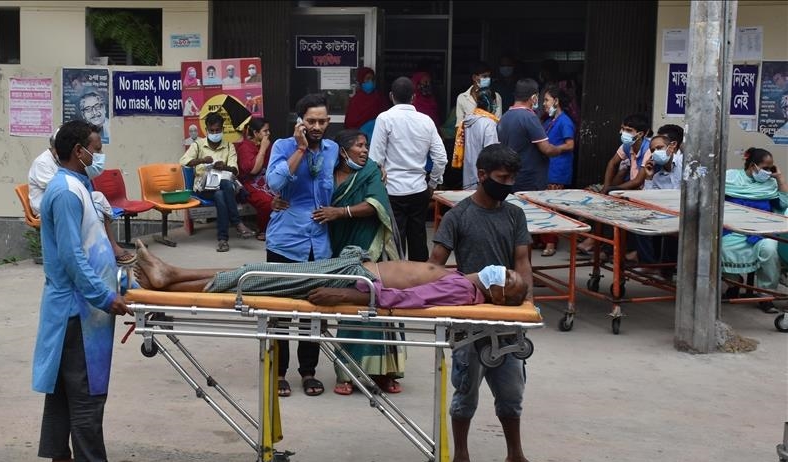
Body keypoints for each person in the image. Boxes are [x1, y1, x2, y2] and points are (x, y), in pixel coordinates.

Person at [429, 143, 552, 462]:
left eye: (512, 178)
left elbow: (523, 262)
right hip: (470, 322)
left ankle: (515, 456)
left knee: (511, 393)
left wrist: (527, 306)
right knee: (466, 392)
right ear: (481, 175)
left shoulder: (514, 215)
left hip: (509, 322)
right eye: (502, 178)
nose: (508, 184)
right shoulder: (457, 217)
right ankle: (461, 459)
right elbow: (434, 267)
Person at [32, 120, 137, 462]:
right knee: (86, 389)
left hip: (82, 304)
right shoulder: (65, 193)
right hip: (77, 308)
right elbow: (72, 256)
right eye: (96, 149)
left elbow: (95, 245)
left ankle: (61, 461)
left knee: (64, 388)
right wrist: (105, 297)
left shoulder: (80, 186)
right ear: (79, 151)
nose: (100, 156)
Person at [132, 241, 528, 308]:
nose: (505, 272)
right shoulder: (464, 278)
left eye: (508, 280)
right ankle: (170, 274)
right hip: (350, 270)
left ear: (498, 296)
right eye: (510, 271)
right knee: (256, 271)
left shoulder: (463, 292)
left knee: (256, 276)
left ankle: (169, 278)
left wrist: (352, 296)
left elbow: (409, 299)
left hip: (350, 281)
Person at [313, 129, 402, 395]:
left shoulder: (370, 171)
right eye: (359, 146)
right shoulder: (326, 173)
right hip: (338, 246)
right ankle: (347, 373)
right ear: (342, 151)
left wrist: (340, 212)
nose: (364, 151)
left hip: (371, 246)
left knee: (378, 307)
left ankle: (385, 372)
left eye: (366, 146)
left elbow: (376, 205)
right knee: (348, 308)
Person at [266, 93, 339, 397]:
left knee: (314, 310)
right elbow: (274, 184)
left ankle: (308, 372)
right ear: (300, 122)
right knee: (279, 310)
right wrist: (300, 149)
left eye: (322, 121)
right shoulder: (282, 146)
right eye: (311, 121)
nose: (317, 126)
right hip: (285, 240)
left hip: (319, 243)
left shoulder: (333, 150)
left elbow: (354, 172)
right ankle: (279, 372)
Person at [28, 128, 135, 265]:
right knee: (93, 205)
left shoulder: (61, 164)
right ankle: (103, 250)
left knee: (97, 200)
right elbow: (61, 191)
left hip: (66, 200)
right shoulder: (43, 163)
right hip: (47, 206)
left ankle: (105, 249)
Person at [369, 77, 448, 262]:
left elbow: (376, 159)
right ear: (414, 97)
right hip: (419, 189)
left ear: (391, 96)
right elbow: (441, 158)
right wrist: (433, 183)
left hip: (392, 190)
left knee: (394, 244)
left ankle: (397, 277)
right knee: (418, 239)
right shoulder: (426, 120)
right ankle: (420, 277)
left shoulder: (384, 118)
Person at [721, 147, 787, 314]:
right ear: (752, 166)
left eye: (771, 168)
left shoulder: (770, 183)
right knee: (720, 248)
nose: (769, 172)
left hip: (762, 232)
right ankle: (734, 284)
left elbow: (783, 204)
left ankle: (766, 296)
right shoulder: (731, 177)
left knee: (770, 249)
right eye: (766, 168)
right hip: (733, 230)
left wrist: (780, 178)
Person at [179, 112, 256, 252]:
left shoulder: (229, 147)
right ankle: (237, 223)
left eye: (218, 130)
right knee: (225, 186)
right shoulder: (198, 145)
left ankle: (223, 240)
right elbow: (183, 161)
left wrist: (224, 167)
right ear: (207, 130)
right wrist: (202, 160)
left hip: (222, 186)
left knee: (221, 193)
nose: (215, 133)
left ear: (222, 129)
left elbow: (234, 170)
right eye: (212, 130)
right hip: (203, 188)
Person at [577, 113, 652, 255]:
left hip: (644, 193)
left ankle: (602, 246)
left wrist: (612, 189)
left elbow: (638, 181)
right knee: (599, 200)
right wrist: (606, 187)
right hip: (630, 190)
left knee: (612, 208)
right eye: (623, 129)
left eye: (628, 130)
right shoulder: (627, 146)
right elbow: (612, 163)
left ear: (640, 134)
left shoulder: (648, 149)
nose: (623, 132)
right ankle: (599, 243)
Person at [496, 78, 564, 194]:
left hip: (511, 178)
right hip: (529, 181)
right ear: (534, 98)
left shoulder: (504, 117)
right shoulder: (529, 117)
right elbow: (547, 149)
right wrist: (561, 149)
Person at [626, 134, 681, 274]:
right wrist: (649, 177)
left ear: (671, 147)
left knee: (673, 231)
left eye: (659, 148)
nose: (656, 152)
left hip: (686, 214)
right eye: (653, 150)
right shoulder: (657, 176)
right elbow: (648, 200)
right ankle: (649, 264)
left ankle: (668, 269)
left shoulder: (685, 164)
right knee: (640, 220)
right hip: (667, 214)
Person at [538, 83, 576, 257]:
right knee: (543, 205)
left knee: (551, 208)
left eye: (546, 100)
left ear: (556, 101)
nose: (544, 104)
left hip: (557, 169)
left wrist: (552, 149)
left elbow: (570, 145)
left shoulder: (565, 121)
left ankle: (551, 242)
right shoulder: (549, 120)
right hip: (548, 168)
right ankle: (543, 239)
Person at [235, 117, 274, 242]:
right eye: (265, 131)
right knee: (267, 201)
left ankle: (279, 228)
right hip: (249, 183)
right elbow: (253, 170)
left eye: (268, 130)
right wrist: (262, 149)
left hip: (267, 179)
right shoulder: (245, 147)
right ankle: (263, 230)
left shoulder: (268, 145)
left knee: (284, 195)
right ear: (256, 133)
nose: (268, 133)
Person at [456, 87, 499, 190]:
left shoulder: (468, 120)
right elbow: (491, 153)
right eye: (494, 102)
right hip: (483, 178)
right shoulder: (489, 123)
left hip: (469, 176)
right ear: (490, 102)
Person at [344, 67, 388, 142]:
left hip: (378, 139)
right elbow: (349, 123)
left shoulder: (379, 98)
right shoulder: (355, 100)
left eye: (372, 79)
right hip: (358, 140)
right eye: (367, 79)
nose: (370, 82)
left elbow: (386, 118)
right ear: (361, 80)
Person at [455, 61, 503, 127]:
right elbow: (459, 125)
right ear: (474, 77)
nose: (488, 79)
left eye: (489, 76)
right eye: (484, 76)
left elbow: (498, 122)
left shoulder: (496, 96)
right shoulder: (462, 98)